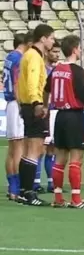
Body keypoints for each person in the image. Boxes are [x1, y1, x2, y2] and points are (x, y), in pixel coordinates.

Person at [46, 35, 84, 209]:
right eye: (79, 48)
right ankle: (76, 199)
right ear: (74, 49)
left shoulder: (56, 70)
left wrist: (43, 106)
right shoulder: (76, 71)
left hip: (59, 116)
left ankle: (57, 198)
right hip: (74, 116)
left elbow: (46, 89)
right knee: (76, 157)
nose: (81, 51)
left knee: (60, 158)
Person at [16, 24, 56, 206]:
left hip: (26, 104)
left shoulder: (31, 55)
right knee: (35, 149)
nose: (53, 42)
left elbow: (20, 83)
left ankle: (24, 191)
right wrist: (37, 103)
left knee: (31, 149)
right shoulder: (34, 57)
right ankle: (28, 192)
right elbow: (32, 82)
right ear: (43, 38)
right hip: (33, 105)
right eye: (52, 38)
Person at [3, 32, 32, 201]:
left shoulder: (9, 57)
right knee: (19, 149)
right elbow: (16, 84)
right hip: (17, 102)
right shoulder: (20, 59)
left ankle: (11, 187)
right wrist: (23, 106)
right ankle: (16, 190)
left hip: (10, 104)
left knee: (12, 149)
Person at [38, 42, 62, 194]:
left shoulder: (57, 70)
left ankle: (51, 182)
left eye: (59, 52)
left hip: (55, 111)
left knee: (52, 149)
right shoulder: (41, 69)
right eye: (54, 52)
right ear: (47, 52)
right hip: (44, 111)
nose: (57, 55)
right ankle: (35, 182)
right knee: (40, 148)